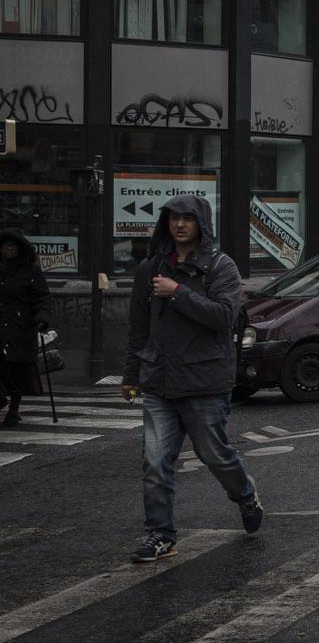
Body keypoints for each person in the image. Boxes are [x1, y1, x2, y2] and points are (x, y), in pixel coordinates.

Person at [121, 195, 264, 563]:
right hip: (159, 379)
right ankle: (161, 534)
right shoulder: (151, 268)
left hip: (204, 379)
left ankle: (245, 495)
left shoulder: (220, 267)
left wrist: (178, 292)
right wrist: (131, 374)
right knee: (155, 462)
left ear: (202, 224)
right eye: (173, 218)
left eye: (187, 218)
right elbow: (139, 326)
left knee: (214, 455)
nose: (180, 225)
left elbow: (223, 317)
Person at [0, 230, 53, 427]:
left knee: (15, 369)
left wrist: (42, 317)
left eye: (13, 246)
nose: (9, 249)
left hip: (20, 327)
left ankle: (14, 407)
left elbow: (42, 297)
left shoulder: (30, 271)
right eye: (6, 245)